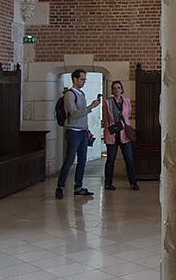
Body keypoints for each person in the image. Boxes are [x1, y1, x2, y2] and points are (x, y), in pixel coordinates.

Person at [55, 70, 101, 199]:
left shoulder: (82, 93)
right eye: (82, 79)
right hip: (73, 132)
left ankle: (78, 187)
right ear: (75, 79)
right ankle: (60, 186)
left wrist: (87, 129)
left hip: (82, 131)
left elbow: (82, 116)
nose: (84, 82)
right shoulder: (70, 95)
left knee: (82, 161)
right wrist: (91, 106)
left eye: (85, 79)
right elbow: (74, 114)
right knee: (69, 160)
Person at [101, 80, 139, 191]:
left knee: (129, 159)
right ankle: (108, 182)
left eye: (118, 88)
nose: (116, 90)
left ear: (122, 90)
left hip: (124, 134)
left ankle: (133, 182)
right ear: (112, 90)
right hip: (112, 132)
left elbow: (128, 114)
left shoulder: (127, 101)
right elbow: (105, 117)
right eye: (114, 88)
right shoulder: (107, 103)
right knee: (111, 159)